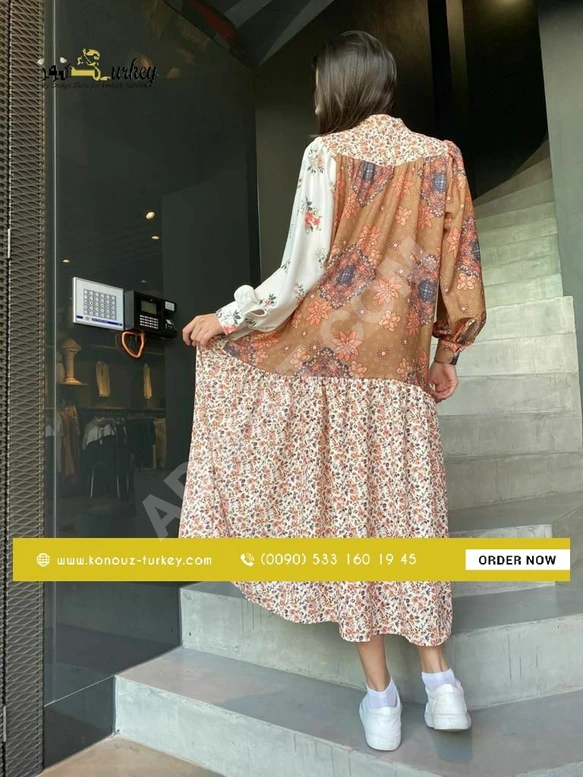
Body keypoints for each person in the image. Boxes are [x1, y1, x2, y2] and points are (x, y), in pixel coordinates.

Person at [180, 30, 486, 753]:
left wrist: (227, 318)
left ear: (338, 87)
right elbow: (462, 271)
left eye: (320, 85)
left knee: (349, 527)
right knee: (410, 525)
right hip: (402, 383)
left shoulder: (326, 154)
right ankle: (442, 683)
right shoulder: (442, 158)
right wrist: (447, 353)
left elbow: (300, 273)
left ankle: (381, 697)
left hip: (332, 381)